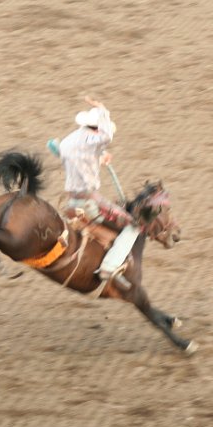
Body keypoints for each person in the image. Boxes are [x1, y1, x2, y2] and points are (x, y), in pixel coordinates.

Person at [55, 96, 140, 289]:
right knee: (134, 226)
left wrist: (100, 158)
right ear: (96, 128)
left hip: (71, 200)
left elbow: (81, 158)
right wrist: (102, 108)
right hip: (89, 201)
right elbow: (106, 137)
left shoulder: (69, 141)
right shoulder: (93, 140)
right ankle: (109, 267)